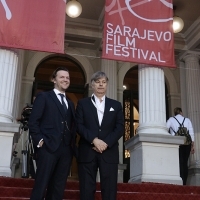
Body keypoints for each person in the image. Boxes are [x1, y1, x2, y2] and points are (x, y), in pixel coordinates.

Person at [28, 67, 76, 200]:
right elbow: (33, 122)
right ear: (54, 80)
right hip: (47, 148)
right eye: (62, 77)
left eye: (67, 78)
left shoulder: (70, 104)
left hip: (66, 150)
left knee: (58, 188)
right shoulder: (44, 97)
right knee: (41, 185)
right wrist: (40, 141)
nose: (65, 80)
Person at [76, 71, 124, 200]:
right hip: (87, 151)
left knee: (109, 190)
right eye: (97, 82)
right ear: (92, 85)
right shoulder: (83, 103)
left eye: (103, 82)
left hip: (109, 152)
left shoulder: (116, 105)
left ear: (107, 85)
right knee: (86, 189)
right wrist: (94, 140)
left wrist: (105, 143)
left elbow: (120, 128)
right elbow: (79, 125)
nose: (101, 85)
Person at [166, 107, 195, 185]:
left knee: (179, 162)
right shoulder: (187, 120)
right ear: (181, 112)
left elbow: (165, 128)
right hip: (187, 143)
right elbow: (191, 132)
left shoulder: (171, 120)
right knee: (185, 163)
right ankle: (184, 181)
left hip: (176, 143)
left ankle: (179, 180)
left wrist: (171, 136)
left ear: (174, 113)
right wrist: (192, 145)